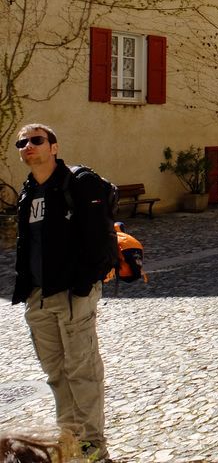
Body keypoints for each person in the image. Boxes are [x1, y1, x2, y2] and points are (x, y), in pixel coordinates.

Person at [11, 124, 111, 462]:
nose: (28, 146)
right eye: (21, 142)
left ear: (54, 146)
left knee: (82, 372)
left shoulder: (77, 183)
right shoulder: (28, 192)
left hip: (72, 293)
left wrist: (83, 286)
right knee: (56, 375)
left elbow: (98, 238)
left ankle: (92, 449)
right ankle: (70, 444)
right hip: (38, 296)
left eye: (36, 140)